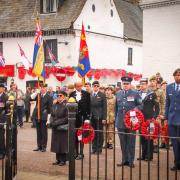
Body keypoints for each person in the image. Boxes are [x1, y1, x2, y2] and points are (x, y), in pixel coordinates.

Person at [116, 76, 142, 168]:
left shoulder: (135, 93)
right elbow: (116, 108)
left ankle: (131, 161)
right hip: (120, 122)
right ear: (122, 84)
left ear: (130, 84)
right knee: (123, 143)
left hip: (131, 122)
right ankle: (124, 160)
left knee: (131, 142)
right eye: (124, 84)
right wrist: (116, 120)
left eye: (127, 84)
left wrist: (136, 108)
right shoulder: (118, 93)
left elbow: (140, 104)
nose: (125, 85)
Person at [138, 78, 159, 161]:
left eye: (143, 84)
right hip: (140, 119)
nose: (142, 86)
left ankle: (149, 156)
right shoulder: (138, 94)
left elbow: (157, 107)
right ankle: (143, 155)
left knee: (149, 138)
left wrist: (154, 117)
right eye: (141, 84)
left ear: (147, 84)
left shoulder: (152, 94)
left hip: (149, 119)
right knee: (142, 137)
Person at [69, 81, 91, 160]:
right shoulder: (71, 94)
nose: (79, 87)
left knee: (81, 136)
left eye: (80, 86)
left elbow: (89, 107)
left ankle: (81, 153)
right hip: (74, 118)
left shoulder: (86, 94)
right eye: (78, 86)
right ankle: (76, 152)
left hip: (83, 117)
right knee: (75, 136)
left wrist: (88, 118)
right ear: (75, 86)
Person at [165, 68, 180, 171]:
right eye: (176, 75)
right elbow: (167, 104)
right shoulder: (169, 87)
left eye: (179, 75)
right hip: (172, 119)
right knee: (174, 142)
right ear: (174, 76)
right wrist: (166, 117)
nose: (178, 77)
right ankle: (177, 163)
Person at [31, 84, 52, 152]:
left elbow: (50, 109)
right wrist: (36, 92)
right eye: (41, 88)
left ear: (46, 88)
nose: (42, 89)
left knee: (44, 132)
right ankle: (39, 146)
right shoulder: (38, 95)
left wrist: (48, 119)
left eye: (43, 88)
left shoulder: (49, 97)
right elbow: (31, 97)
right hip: (37, 115)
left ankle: (43, 146)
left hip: (44, 116)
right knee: (38, 132)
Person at [50, 90, 68, 166]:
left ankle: (63, 160)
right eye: (57, 95)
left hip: (61, 127)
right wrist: (51, 122)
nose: (59, 97)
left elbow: (67, 117)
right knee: (56, 144)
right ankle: (58, 159)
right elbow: (52, 114)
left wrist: (57, 123)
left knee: (62, 144)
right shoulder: (55, 104)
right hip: (55, 126)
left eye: (60, 95)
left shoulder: (66, 105)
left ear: (64, 96)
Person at [149, 75, 165, 153]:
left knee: (156, 129)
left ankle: (155, 145)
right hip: (149, 113)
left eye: (154, 81)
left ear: (156, 82)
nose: (152, 83)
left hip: (157, 114)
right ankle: (150, 144)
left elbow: (163, 103)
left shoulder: (160, 91)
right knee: (150, 129)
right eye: (151, 81)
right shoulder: (148, 91)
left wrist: (162, 113)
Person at [91, 81, 107, 154]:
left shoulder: (102, 95)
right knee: (93, 133)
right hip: (92, 117)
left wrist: (104, 118)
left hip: (99, 116)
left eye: (97, 86)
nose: (96, 87)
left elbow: (105, 107)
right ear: (92, 86)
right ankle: (94, 148)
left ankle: (99, 149)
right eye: (94, 86)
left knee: (99, 133)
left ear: (99, 87)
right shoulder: (90, 94)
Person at [0, 84, 8, 159]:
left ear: (3, 89)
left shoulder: (5, 97)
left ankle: (3, 152)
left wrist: (5, 120)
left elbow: (6, 110)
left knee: (1, 137)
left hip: (1, 119)